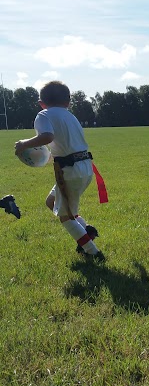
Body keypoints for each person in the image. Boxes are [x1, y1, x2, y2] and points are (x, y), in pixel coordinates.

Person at [14, 80, 105, 260]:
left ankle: (92, 252)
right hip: (84, 167)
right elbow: (63, 145)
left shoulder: (43, 114)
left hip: (70, 171)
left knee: (65, 216)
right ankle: (86, 231)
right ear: (68, 102)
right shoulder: (70, 116)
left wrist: (24, 144)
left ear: (41, 103)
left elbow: (47, 137)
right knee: (51, 201)